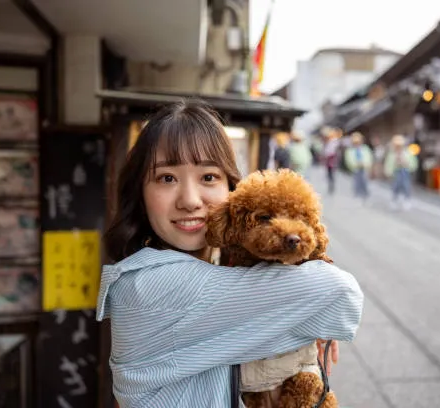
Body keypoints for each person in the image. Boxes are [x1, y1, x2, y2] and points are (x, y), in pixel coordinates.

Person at [97, 100, 364, 408]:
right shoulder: (146, 285)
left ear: (230, 188)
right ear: (140, 192)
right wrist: (302, 321)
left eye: (208, 176)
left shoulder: (220, 266)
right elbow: (340, 294)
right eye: (167, 178)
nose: (190, 200)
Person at [384, 135, 418, 210]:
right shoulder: (392, 154)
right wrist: (388, 172)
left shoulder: (407, 153)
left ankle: (406, 200)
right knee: (395, 186)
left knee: (406, 186)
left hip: (405, 171)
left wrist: (406, 163)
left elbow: (413, 163)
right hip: (396, 172)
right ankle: (394, 200)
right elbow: (389, 164)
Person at [344, 132, 373, 203]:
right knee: (356, 182)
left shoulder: (365, 149)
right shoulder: (350, 150)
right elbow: (349, 160)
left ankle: (365, 194)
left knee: (365, 181)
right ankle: (357, 195)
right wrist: (355, 164)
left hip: (364, 167)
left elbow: (369, 157)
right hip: (355, 168)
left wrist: (365, 164)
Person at [322, 128, 341, 195]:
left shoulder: (333, 142)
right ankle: (331, 186)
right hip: (330, 161)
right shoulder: (330, 142)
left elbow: (330, 153)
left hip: (331, 161)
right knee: (330, 174)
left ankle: (331, 187)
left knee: (331, 174)